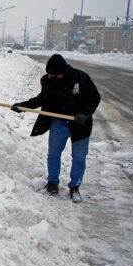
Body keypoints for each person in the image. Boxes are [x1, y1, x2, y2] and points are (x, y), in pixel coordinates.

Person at [12, 54, 101, 203]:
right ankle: (52, 183)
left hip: (80, 124)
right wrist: (24, 106)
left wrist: (85, 114)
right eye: (48, 73)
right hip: (59, 122)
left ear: (62, 71)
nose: (49, 75)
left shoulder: (80, 78)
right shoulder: (48, 80)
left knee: (79, 157)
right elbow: (42, 98)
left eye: (53, 73)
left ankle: (75, 187)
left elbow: (95, 97)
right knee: (53, 154)